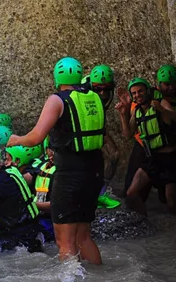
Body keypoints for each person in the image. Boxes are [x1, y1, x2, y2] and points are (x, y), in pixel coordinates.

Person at [7, 57, 104, 265]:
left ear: (57, 77)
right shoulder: (93, 97)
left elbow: (36, 138)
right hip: (94, 170)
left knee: (65, 241)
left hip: (70, 173)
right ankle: (100, 281)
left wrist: (16, 140)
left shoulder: (57, 100)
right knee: (83, 236)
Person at [116, 77, 176, 216]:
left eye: (140, 91)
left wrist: (161, 110)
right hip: (151, 159)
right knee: (131, 193)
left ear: (147, 91)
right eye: (134, 93)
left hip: (168, 159)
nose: (137, 95)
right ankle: (144, 220)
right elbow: (128, 134)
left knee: (171, 201)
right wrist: (123, 115)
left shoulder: (160, 102)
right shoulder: (137, 111)